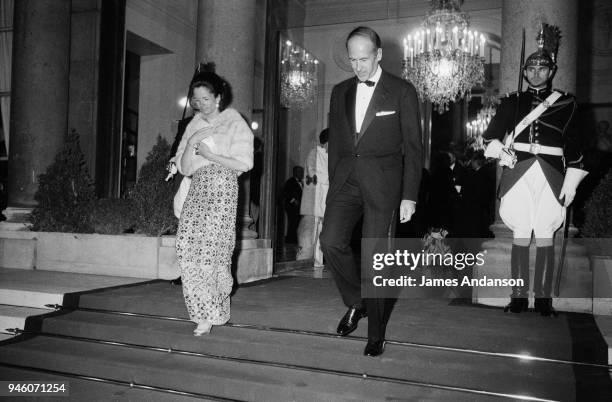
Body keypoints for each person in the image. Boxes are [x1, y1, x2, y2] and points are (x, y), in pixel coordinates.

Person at [320, 26, 422, 357]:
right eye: (352, 60)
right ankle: (357, 301)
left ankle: (376, 334)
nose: (358, 66)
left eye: (364, 59)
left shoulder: (402, 91)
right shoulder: (340, 92)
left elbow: (414, 148)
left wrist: (409, 195)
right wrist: (334, 182)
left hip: (383, 185)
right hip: (346, 180)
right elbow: (336, 142)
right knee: (330, 241)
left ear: (378, 54)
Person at [483, 24, 587, 317]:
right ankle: (517, 296)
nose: (536, 73)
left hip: (552, 173)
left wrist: (572, 181)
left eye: (543, 69)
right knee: (520, 233)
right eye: (531, 69)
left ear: (552, 71)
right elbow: (489, 136)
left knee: (544, 235)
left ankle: (542, 299)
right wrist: (500, 151)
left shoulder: (567, 103)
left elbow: (576, 146)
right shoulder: (511, 102)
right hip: (519, 172)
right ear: (525, 71)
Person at [174, 63, 254, 336]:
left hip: (223, 189)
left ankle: (209, 313)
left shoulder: (234, 122)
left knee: (212, 252)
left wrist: (210, 156)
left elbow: (243, 164)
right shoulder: (193, 124)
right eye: (197, 101)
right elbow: (185, 167)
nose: (201, 105)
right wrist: (193, 139)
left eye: (206, 99)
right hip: (197, 190)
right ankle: (200, 309)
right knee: (186, 247)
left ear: (218, 98)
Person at [297, 129, 329, 267]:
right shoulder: (313, 153)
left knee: (322, 234)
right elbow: (313, 174)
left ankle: (318, 263)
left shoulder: (332, 156)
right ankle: (302, 262)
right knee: (308, 235)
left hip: (325, 200)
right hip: (314, 201)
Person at [282, 166, 304, 244]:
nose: (302, 173)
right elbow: (286, 193)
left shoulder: (302, 182)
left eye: (302, 171)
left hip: (299, 207)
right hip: (292, 207)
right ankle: (290, 241)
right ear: (295, 172)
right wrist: (294, 201)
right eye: (300, 171)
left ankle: (295, 240)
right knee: (293, 223)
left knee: (297, 223)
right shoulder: (290, 182)